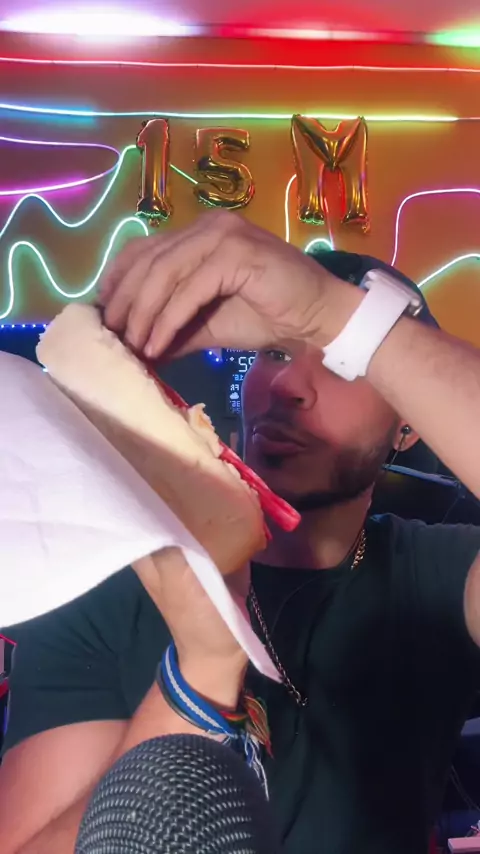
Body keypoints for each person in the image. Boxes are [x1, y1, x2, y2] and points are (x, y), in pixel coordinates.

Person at [1, 211, 480, 854]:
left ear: (408, 425)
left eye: (343, 365)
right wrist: (200, 675)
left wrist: (339, 315)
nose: (286, 385)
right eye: (275, 353)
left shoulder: (437, 576)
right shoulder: (106, 575)